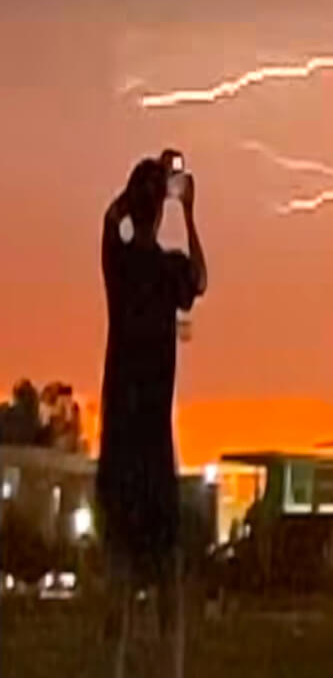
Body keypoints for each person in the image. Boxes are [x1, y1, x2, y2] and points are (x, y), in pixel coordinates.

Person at [98, 151, 207, 678]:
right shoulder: (168, 273)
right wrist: (186, 208)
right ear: (159, 211)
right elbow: (201, 280)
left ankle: (114, 669)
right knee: (167, 574)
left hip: (118, 442)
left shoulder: (118, 266)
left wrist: (140, 187)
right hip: (154, 446)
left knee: (118, 573)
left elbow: (108, 220)